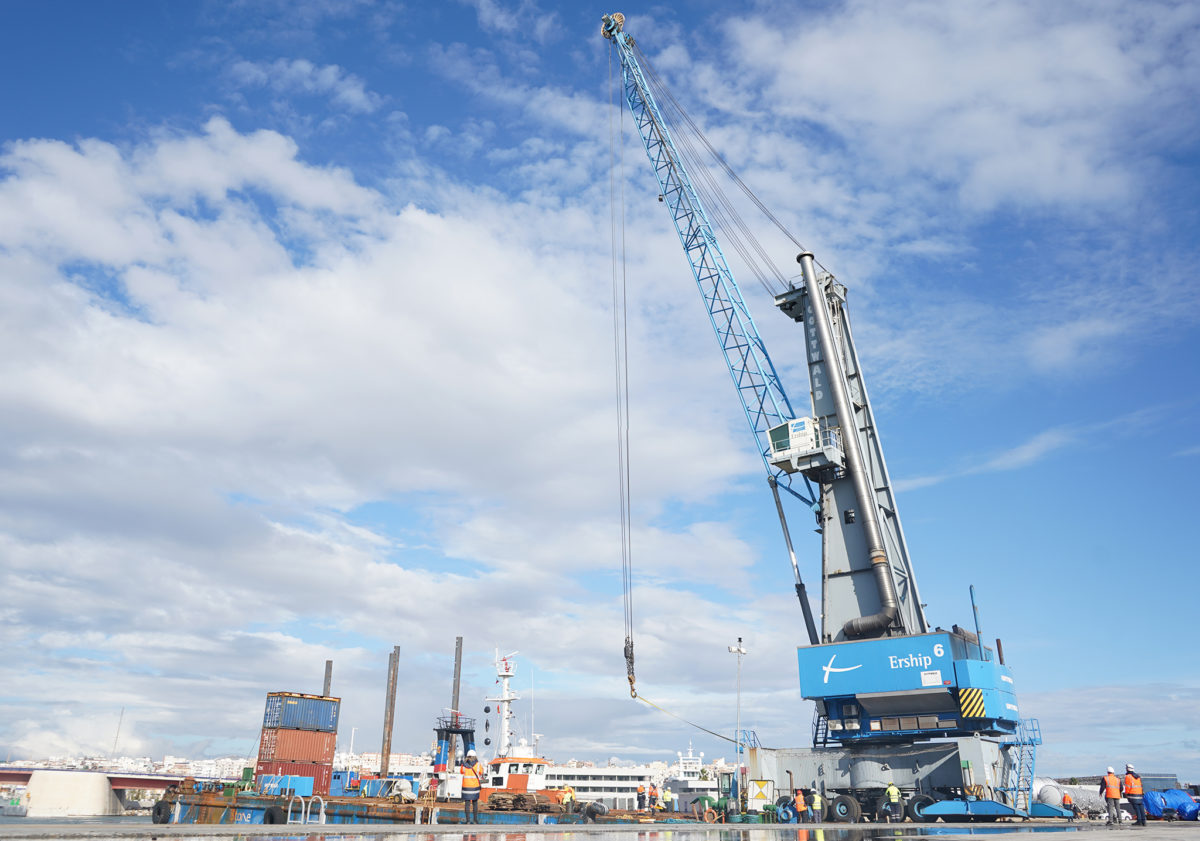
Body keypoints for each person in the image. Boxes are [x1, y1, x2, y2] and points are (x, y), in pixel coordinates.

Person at [460, 749, 485, 824]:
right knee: (475, 803)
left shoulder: (463, 765)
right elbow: (481, 772)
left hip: (466, 787)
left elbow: (461, 772)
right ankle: (475, 820)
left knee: (467, 804)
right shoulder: (478, 765)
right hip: (475, 787)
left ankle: (467, 821)